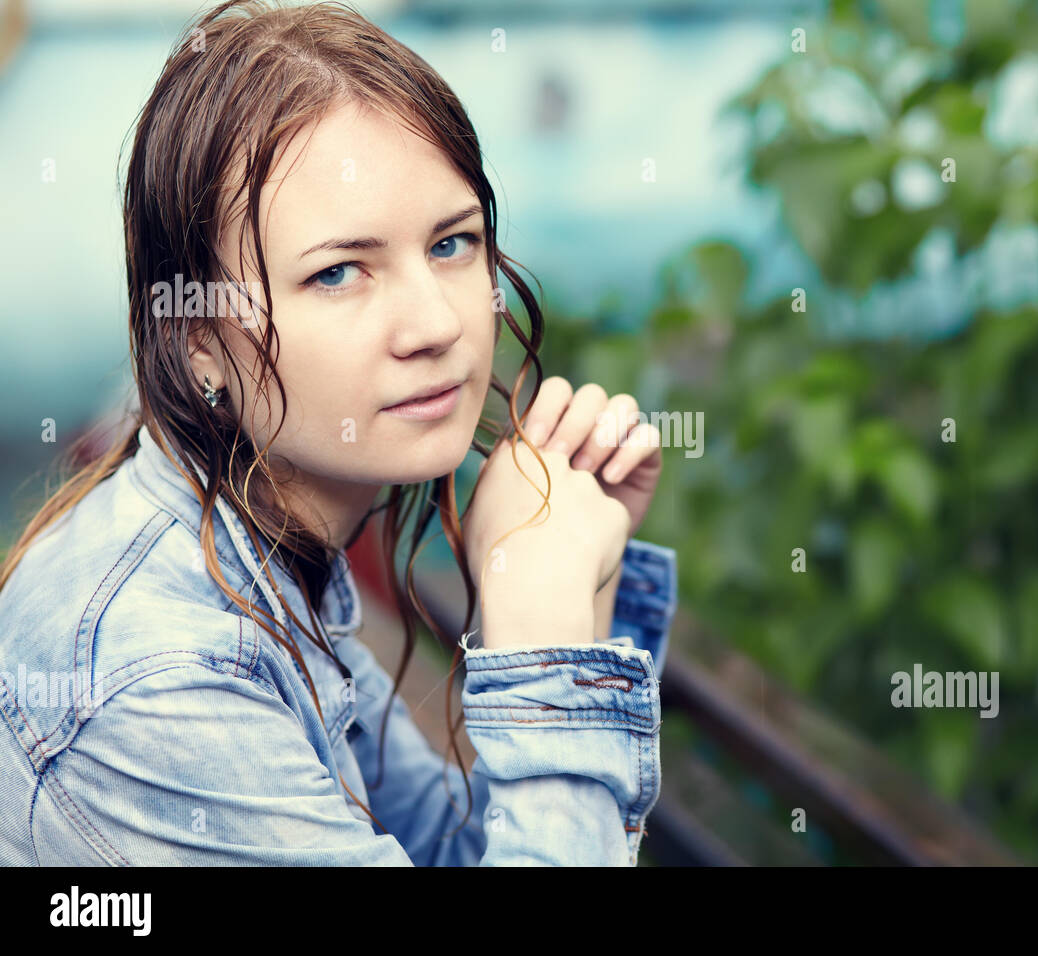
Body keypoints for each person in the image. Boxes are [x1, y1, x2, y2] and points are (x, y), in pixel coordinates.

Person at [0, 0, 677, 866]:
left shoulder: (265, 561)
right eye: (339, 272)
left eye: (451, 244)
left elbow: (450, 852)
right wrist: (538, 631)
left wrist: (582, 573)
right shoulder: (161, 681)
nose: (433, 324)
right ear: (200, 341)